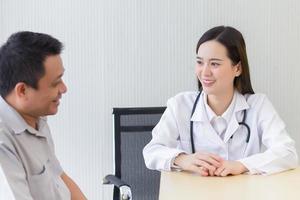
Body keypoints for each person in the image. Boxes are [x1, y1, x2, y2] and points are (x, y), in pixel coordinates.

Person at [143, 26, 298, 176]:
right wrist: (183, 159)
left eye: (214, 64)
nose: (204, 72)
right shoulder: (180, 105)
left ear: (237, 68)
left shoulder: (258, 105)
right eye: (200, 62)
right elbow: (151, 151)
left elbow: (288, 153)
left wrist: (241, 165)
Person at [0, 31, 87, 199]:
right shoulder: (3, 143)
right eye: (56, 83)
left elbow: (59, 176)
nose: (64, 89)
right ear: (23, 90)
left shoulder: (36, 117)